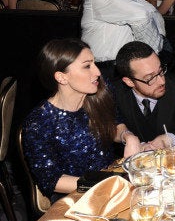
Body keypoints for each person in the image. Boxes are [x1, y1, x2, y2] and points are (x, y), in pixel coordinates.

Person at [21, 39, 166, 202]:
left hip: (112, 180)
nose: (97, 71)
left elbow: (113, 124)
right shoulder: (38, 122)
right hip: (76, 197)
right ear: (62, 78)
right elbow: (52, 181)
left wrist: (128, 136)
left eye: (94, 63)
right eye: (87, 66)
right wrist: (107, 183)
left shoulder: (100, 92)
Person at [114, 41, 175, 148]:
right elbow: (108, 129)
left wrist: (171, 138)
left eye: (160, 71)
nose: (161, 81)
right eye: (150, 78)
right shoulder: (114, 94)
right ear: (129, 82)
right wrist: (128, 138)